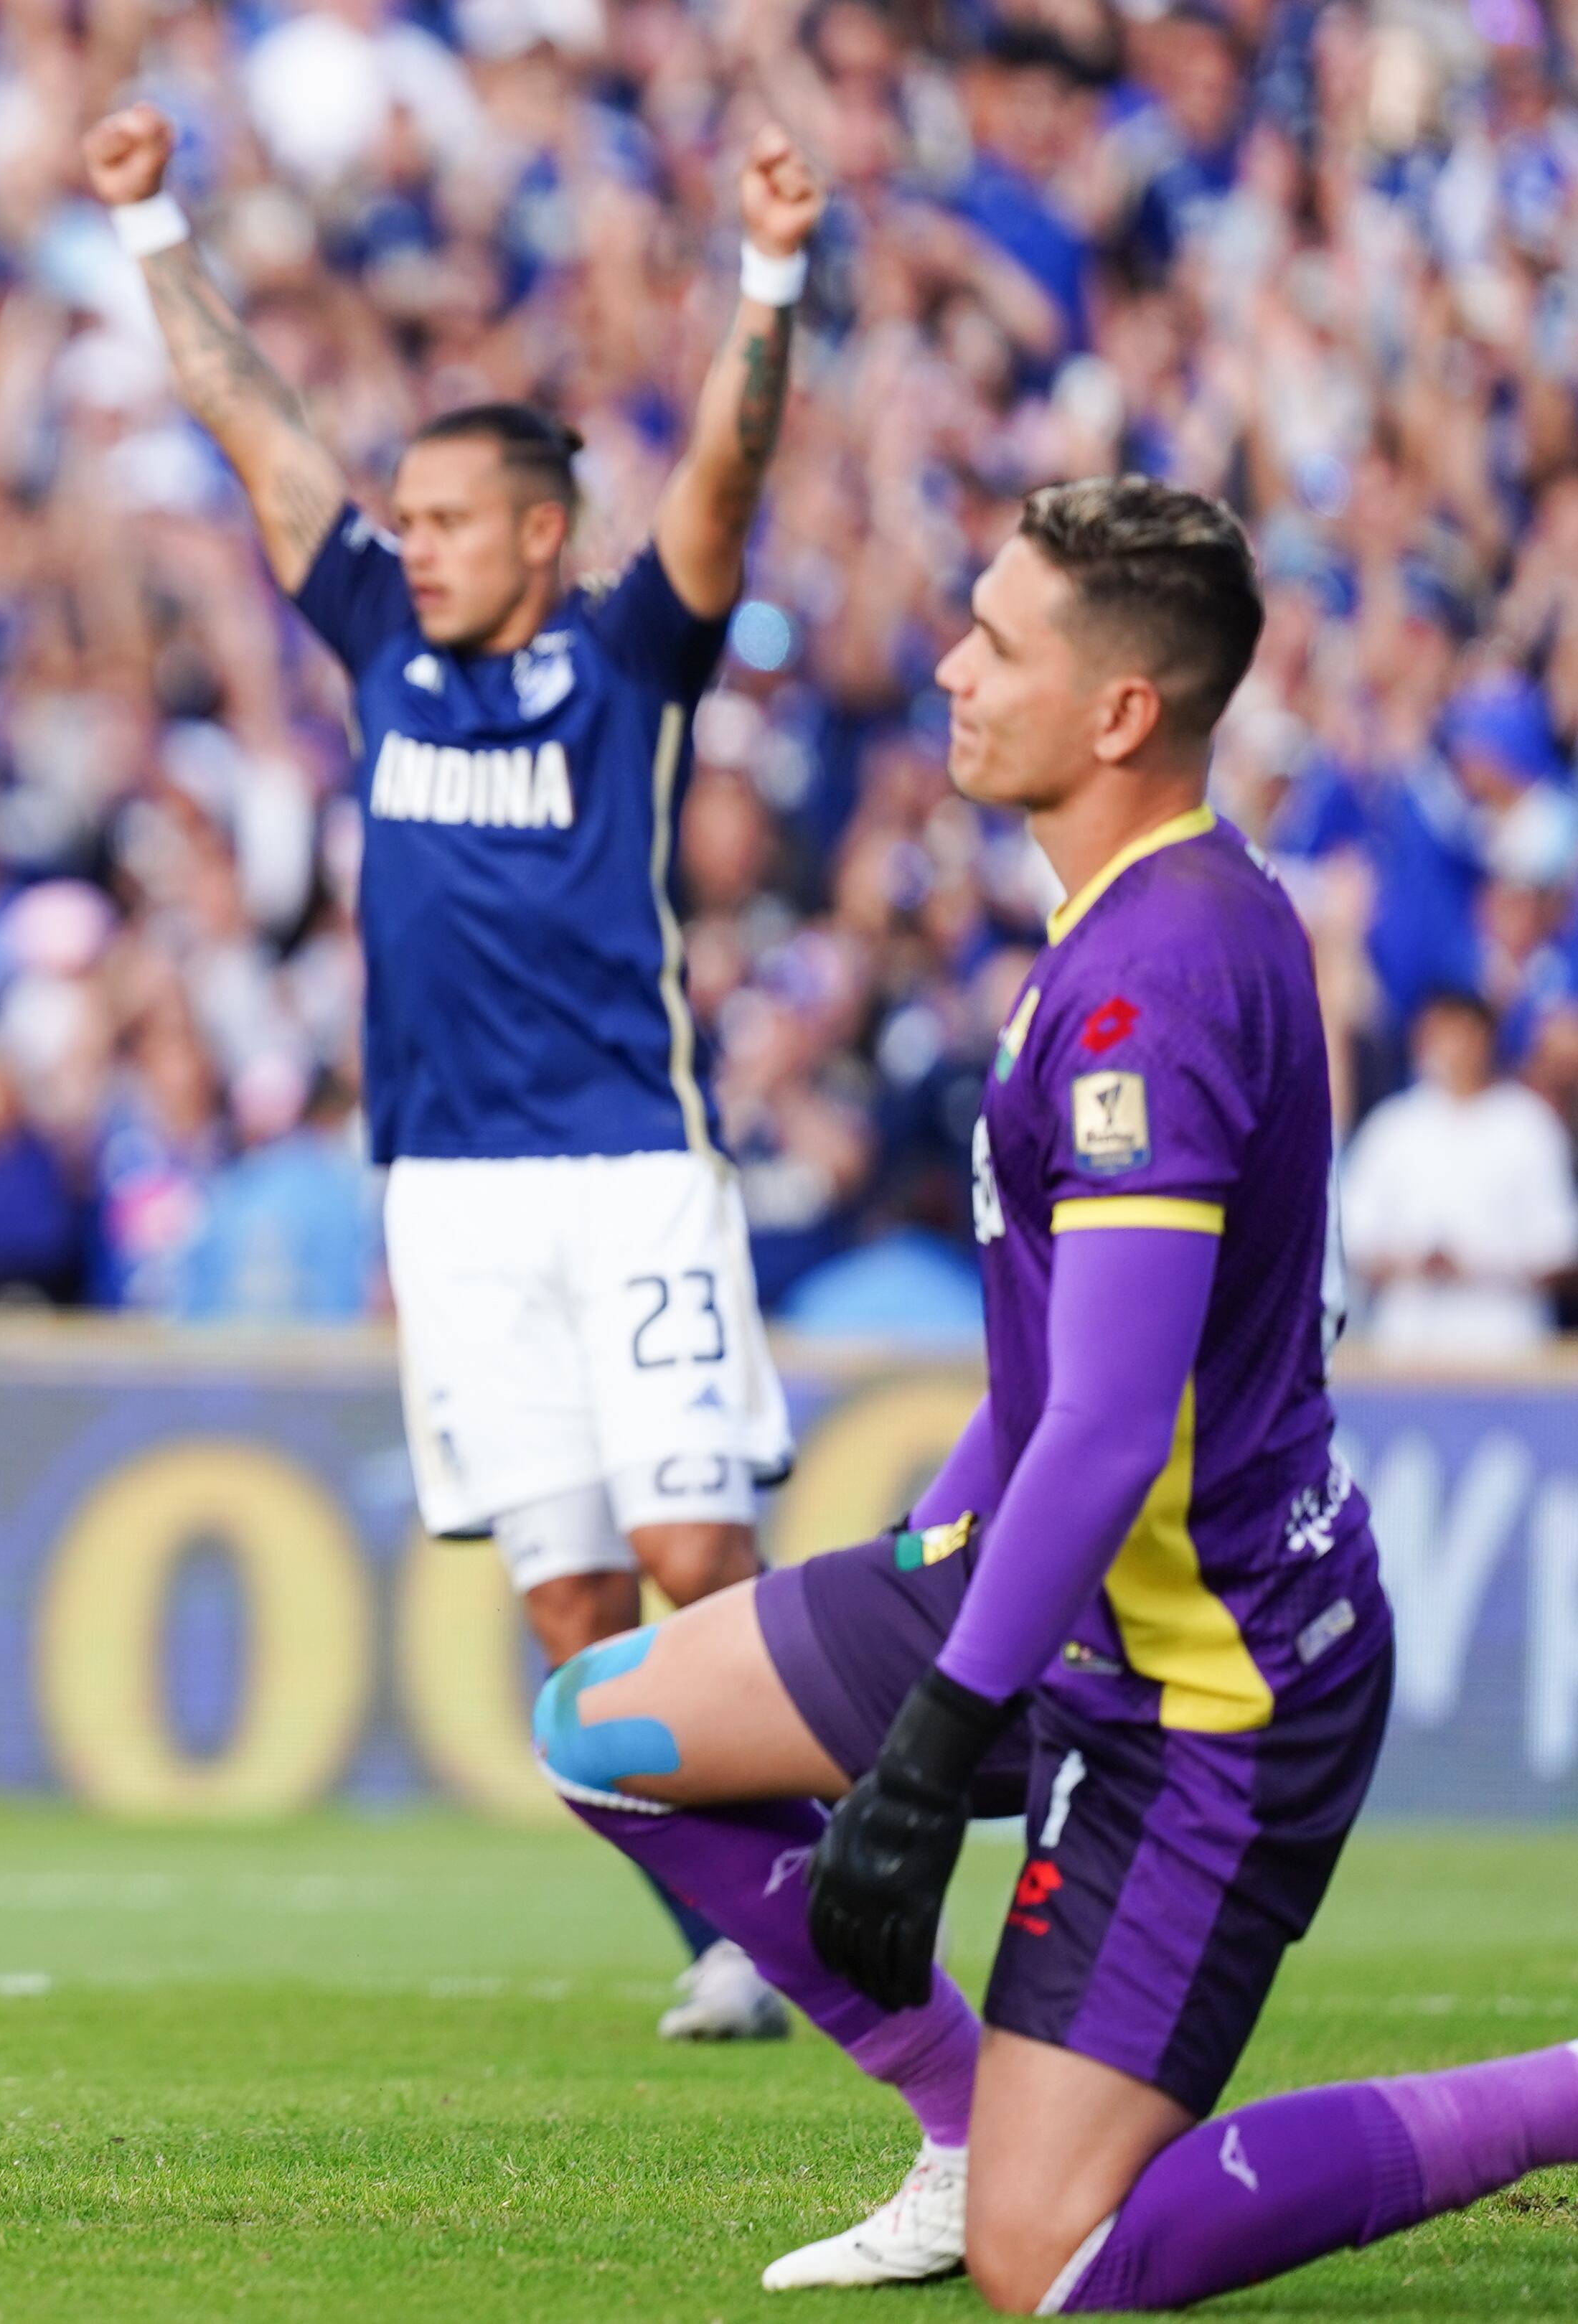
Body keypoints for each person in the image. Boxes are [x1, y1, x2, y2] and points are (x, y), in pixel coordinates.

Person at [530, 478, 1578, 2307]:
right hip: (1052, 1577)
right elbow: (1043, 1388)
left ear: (1115, 713)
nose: (942, 663)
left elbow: (1104, 1420)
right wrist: (930, 1550)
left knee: (1057, 2271)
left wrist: (927, 1745)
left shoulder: (1145, 980)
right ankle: (956, 2123)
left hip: (1205, 1681)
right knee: (607, 1727)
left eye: (993, 641)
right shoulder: (1140, 910)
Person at [80, 101, 822, 2040]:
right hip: (452, 1188)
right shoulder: (379, 654)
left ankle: (825, 1884)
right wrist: (154, 217)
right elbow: (257, 436)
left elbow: (727, 486)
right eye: (396, 520)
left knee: (691, 1553)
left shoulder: (634, 656)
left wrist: (767, 282)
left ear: (541, 533)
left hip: (629, 1154)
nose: (404, 546)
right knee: (570, 1608)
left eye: (441, 522)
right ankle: (740, 1935)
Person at [1338, 988, 1578, 1364]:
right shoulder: (1392, 1126)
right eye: (1437, 1036)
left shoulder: (1529, 1125)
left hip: (1511, 1351)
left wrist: (1476, 1267)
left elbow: (1560, 1248)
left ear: (1486, 1039)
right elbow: (1349, 1236)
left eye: (1460, 1034)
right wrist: (1415, 1263)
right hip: (1404, 1351)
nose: (1449, 1049)